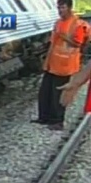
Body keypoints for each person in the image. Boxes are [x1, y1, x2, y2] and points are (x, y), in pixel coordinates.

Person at [34, 0, 85, 131]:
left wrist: (63, 36)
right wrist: (46, 62)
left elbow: (78, 44)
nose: (59, 10)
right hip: (52, 63)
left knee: (58, 94)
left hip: (65, 66)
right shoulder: (58, 22)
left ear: (69, 7)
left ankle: (57, 121)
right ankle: (44, 117)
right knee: (45, 92)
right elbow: (53, 43)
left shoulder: (77, 24)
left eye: (62, 7)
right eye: (58, 7)